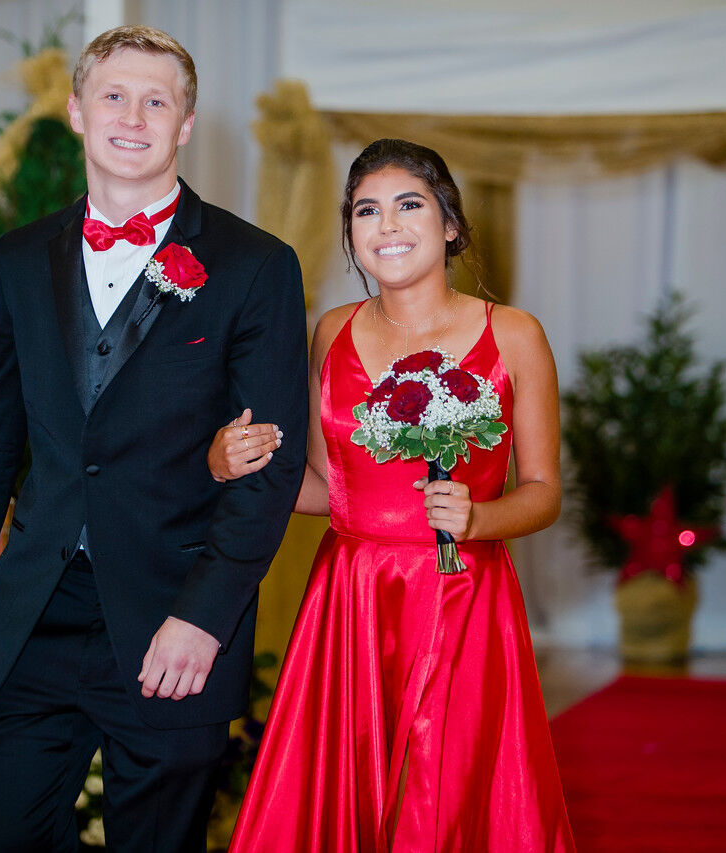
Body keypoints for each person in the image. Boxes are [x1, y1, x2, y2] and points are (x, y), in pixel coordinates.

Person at [0, 26, 308, 852]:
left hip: (176, 618)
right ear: (76, 112)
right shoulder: (20, 259)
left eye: (157, 99)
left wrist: (203, 618)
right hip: (33, 618)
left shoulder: (254, 264)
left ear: (186, 123)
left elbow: (269, 466)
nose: (134, 115)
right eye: (114, 96)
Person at [213, 139, 574, 851]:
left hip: (464, 597)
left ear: (449, 225)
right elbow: (326, 489)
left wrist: (479, 516)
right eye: (366, 211)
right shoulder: (332, 331)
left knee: (445, 796)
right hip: (350, 598)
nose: (388, 226)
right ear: (350, 234)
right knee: (343, 796)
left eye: (410, 205)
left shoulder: (515, 334)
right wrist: (235, 466)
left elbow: (545, 491)